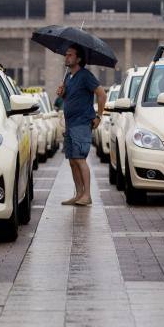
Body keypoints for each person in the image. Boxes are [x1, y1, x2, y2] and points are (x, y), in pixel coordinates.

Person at [57, 44, 107, 206]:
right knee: (72, 160)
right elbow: (70, 99)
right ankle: (78, 194)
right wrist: (62, 93)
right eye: (66, 55)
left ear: (78, 59)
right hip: (70, 124)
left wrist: (99, 115)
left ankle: (87, 194)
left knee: (80, 159)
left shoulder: (85, 75)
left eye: (70, 55)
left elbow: (101, 94)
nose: (67, 57)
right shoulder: (68, 77)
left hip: (82, 123)